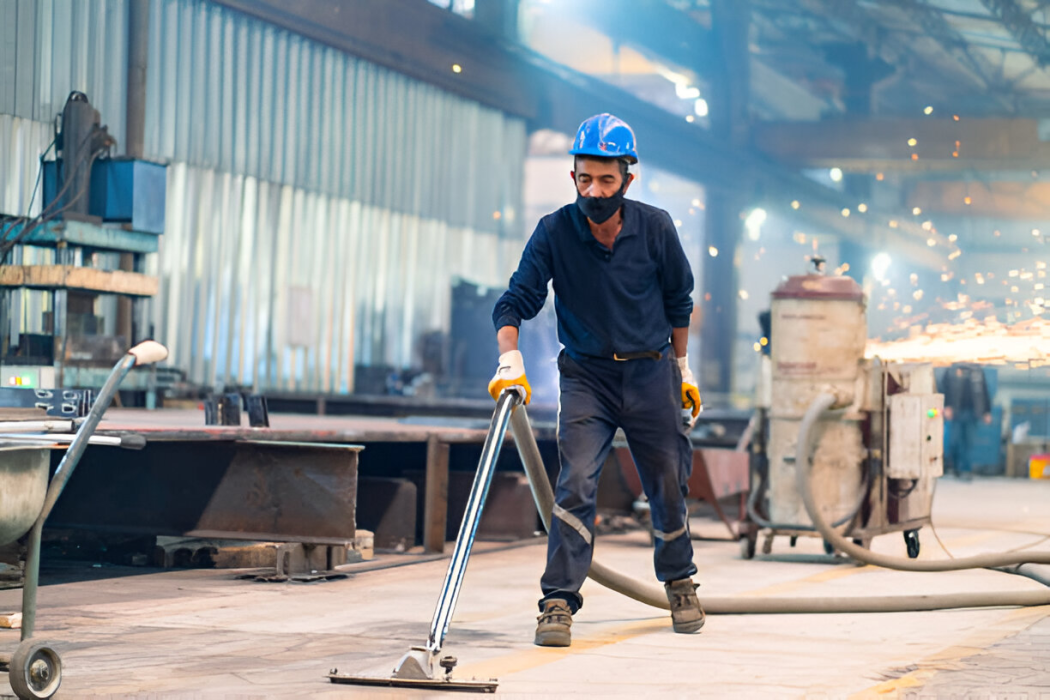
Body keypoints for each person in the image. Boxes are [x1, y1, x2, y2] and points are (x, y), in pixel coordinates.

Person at [487, 113, 704, 647]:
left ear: (628, 180)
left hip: (652, 373)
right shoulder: (555, 231)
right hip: (587, 376)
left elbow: (680, 302)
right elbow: (517, 299)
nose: (594, 191)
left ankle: (679, 582)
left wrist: (681, 368)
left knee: (668, 484)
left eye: (606, 181)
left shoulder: (655, 228)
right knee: (576, 482)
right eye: (585, 179)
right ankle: (558, 601)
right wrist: (508, 357)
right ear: (574, 177)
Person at [941, 362, 993, 481]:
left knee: (968, 443)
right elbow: (944, 388)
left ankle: (965, 470)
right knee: (954, 441)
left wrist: (987, 411)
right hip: (956, 412)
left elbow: (984, 390)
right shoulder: (951, 370)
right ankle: (955, 468)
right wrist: (947, 405)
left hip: (973, 412)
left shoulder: (978, 371)